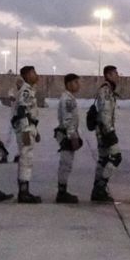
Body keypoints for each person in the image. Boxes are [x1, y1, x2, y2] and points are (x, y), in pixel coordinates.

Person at [91, 66, 121, 203]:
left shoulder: (108, 90)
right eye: (115, 73)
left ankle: (97, 189)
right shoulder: (106, 91)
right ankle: (101, 187)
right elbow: (104, 112)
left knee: (103, 159)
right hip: (105, 130)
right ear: (108, 74)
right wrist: (109, 131)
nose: (117, 76)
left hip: (102, 129)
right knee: (116, 157)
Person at [11, 66, 41, 203]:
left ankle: (25, 191)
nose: (36, 75)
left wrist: (35, 130)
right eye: (34, 72)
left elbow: (29, 111)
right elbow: (22, 110)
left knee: (27, 158)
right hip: (25, 127)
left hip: (29, 126)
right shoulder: (26, 90)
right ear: (28, 75)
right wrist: (25, 130)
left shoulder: (29, 89)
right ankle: (23, 193)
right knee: (25, 159)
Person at [55, 73, 82, 204]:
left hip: (68, 133)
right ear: (69, 84)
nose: (78, 85)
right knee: (65, 164)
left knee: (67, 164)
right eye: (76, 82)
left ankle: (62, 190)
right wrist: (73, 136)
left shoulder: (69, 98)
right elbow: (67, 119)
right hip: (67, 135)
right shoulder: (67, 99)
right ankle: (61, 192)